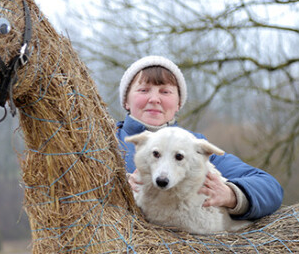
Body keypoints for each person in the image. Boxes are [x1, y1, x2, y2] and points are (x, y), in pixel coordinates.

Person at [116, 55, 283, 220]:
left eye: (165, 91)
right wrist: (118, 189)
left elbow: (270, 188)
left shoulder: (197, 149)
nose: (154, 99)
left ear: (178, 104)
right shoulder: (106, 140)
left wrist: (231, 195)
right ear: (126, 101)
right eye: (143, 90)